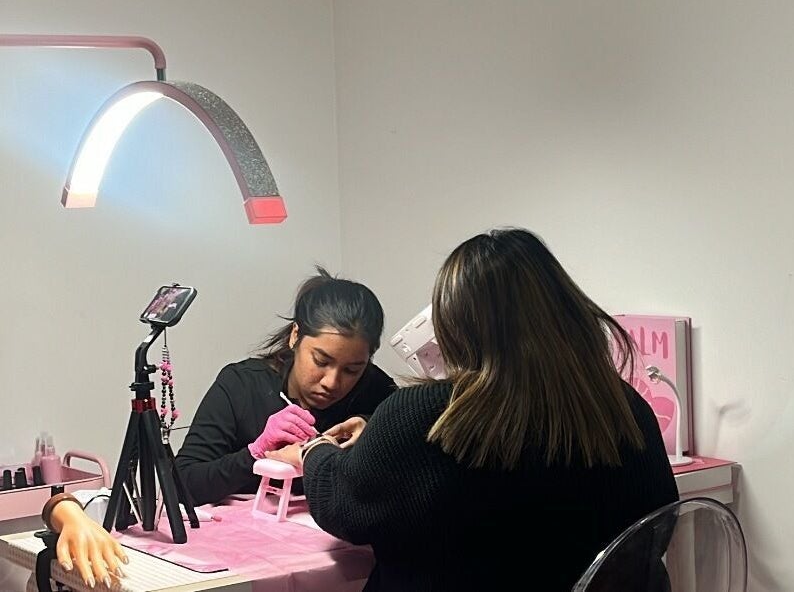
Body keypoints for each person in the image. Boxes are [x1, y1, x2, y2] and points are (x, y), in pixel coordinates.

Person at [268, 228, 679, 591]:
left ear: (456, 325)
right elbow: (659, 526)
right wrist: (378, 430)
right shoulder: (625, 411)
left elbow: (344, 507)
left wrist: (314, 452)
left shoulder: (424, 415)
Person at [175, 267, 397, 506]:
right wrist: (255, 453)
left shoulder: (378, 392)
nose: (332, 382)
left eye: (352, 370)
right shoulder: (242, 385)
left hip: (338, 541)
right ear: (295, 336)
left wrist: (376, 433)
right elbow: (183, 485)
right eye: (321, 361)